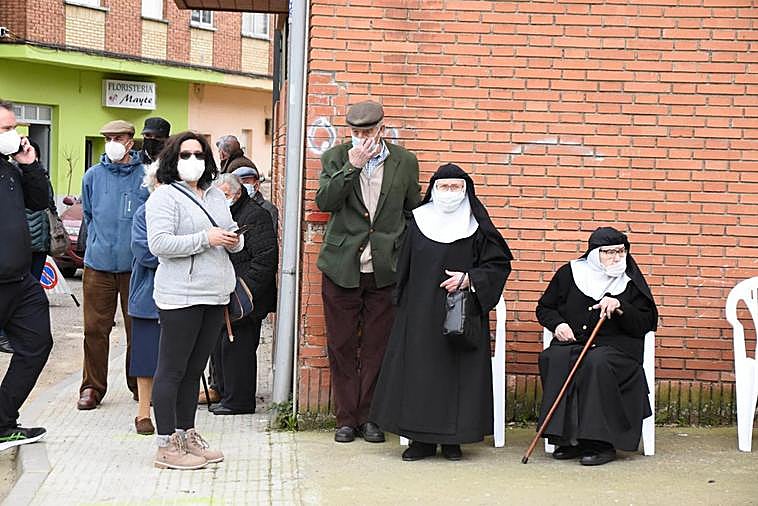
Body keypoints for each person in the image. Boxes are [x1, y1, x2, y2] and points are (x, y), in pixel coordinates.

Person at [370, 163, 512, 461]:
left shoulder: (477, 226)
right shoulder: (418, 221)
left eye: (456, 187)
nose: (450, 193)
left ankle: (453, 441)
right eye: (444, 187)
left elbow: (498, 265)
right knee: (419, 373)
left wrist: (469, 278)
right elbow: (403, 266)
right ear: (434, 190)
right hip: (419, 313)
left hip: (461, 314)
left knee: (457, 374)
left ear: (466, 190)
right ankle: (419, 441)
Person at [316, 100, 421, 443]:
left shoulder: (404, 162)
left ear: (381, 129)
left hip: (384, 268)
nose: (361, 138)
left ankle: (371, 417)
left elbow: (413, 210)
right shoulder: (335, 157)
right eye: (355, 132)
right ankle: (347, 418)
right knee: (342, 345)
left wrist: (401, 247)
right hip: (341, 266)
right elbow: (325, 202)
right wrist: (352, 167)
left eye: (367, 132)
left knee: (378, 346)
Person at [146, 131, 242, 470]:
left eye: (199, 155)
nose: (193, 161)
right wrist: (206, 238)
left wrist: (233, 241)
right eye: (185, 155)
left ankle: (187, 434)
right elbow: (159, 244)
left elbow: (229, 233)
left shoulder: (216, 195)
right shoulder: (164, 197)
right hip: (180, 295)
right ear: (173, 160)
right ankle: (165, 444)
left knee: (193, 370)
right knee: (171, 369)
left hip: (215, 292)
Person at [535, 226, 658, 466]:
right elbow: (544, 308)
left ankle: (601, 443)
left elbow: (647, 321)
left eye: (621, 252)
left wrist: (621, 306)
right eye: (609, 252)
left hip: (618, 349)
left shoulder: (630, 282)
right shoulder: (569, 274)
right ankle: (569, 440)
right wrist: (558, 324)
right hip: (575, 343)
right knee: (554, 357)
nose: (616, 258)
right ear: (594, 254)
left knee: (596, 363)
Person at [78, 120, 147, 410]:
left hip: (136, 268)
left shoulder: (146, 176)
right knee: (94, 329)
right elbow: (89, 216)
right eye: (107, 137)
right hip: (98, 267)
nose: (112, 142)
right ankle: (92, 388)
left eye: (117, 137)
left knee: (139, 330)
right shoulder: (92, 176)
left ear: (131, 141)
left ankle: (139, 386)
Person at [0, 99, 53, 450]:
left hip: (20, 281)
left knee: (37, 344)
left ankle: (3, 422)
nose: (14, 135)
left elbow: (40, 201)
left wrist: (31, 165)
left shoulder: (11, 169)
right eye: (6, 129)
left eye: (14, 128)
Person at [210, 173, 277, 415]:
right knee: (223, 347)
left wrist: (245, 290)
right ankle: (226, 394)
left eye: (226, 195)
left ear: (238, 194)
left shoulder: (254, 215)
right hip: (228, 293)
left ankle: (239, 401)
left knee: (239, 349)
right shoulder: (226, 215)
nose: (222, 199)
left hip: (247, 298)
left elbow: (265, 259)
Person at [128, 162, 161, 435]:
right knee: (146, 356)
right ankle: (143, 413)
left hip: (183, 294)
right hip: (148, 295)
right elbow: (145, 253)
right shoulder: (144, 213)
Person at [232, 166, 279, 234]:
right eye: (240, 184)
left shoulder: (268, 209)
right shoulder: (232, 206)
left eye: (247, 183)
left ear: (257, 185)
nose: (243, 187)